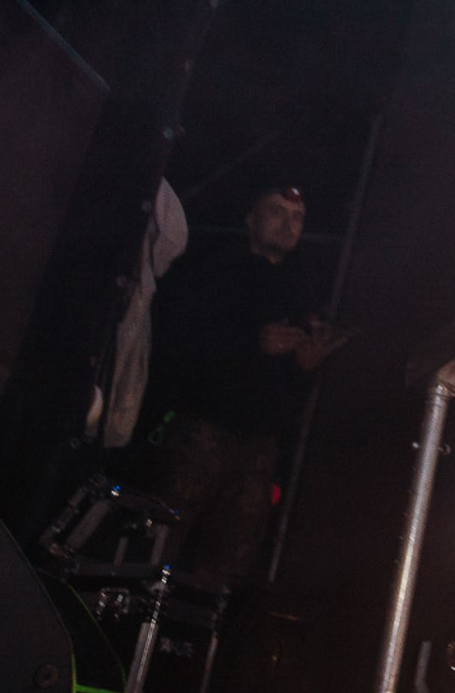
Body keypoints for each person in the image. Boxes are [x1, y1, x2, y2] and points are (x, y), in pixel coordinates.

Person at [143, 184, 343, 586]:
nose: (289, 224)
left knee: (230, 562)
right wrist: (252, 340)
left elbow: (298, 380)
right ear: (252, 219)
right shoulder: (214, 269)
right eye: (277, 212)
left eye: (297, 217)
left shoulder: (302, 288)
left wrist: (308, 365)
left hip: (260, 445)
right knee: (159, 539)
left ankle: (201, 639)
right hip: (202, 429)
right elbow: (176, 340)